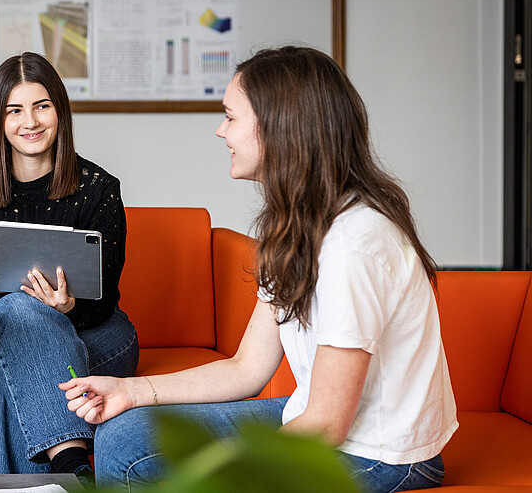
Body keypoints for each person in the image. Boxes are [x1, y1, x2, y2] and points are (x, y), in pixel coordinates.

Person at [61, 46, 458, 493]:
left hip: (381, 457)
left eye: (230, 117)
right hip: (317, 419)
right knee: (124, 435)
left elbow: (328, 425)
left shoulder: (354, 244)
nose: (220, 131)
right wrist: (128, 392)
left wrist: (213, 472)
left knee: (175, 474)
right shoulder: (296, 227)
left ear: (277, 129)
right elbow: (247, 368)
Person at [0, 52, 139, 481]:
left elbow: (105, 299)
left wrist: (65, 309)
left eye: (41, 106)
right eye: (15, 110)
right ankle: (72, 466)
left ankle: (64, 475)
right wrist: (25, 299)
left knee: (20, 376)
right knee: (25, 313)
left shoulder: (99, 189)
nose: (30, 121)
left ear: (59, 111)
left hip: (97, 335)